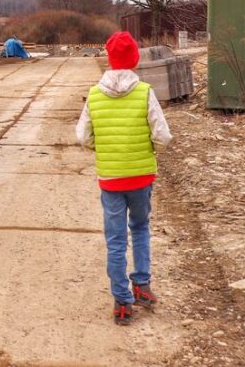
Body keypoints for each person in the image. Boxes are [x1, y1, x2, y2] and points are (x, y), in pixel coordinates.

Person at [75, 31, 172, 325]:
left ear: (109, 58)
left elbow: (82, 136)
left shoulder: (94, 94)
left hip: (111, 179)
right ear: (134, 59)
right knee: (140, 229)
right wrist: (148, 150)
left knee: (115, 240)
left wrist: (101, 148)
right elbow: (163, 136)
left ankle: (121, 300)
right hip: (141, 177)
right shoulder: (144, 92)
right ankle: (141, 285)